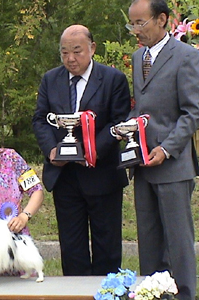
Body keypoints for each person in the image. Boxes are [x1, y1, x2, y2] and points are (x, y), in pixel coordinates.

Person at [32, 25, 131, 276]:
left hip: (102, 174)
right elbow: (40, 119)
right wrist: (52, 151)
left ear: (92, 48)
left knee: (107, 246)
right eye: (64, 53)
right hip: (64, 176)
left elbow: (118, 122)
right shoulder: (50, 79)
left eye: (77, 51)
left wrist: (89, 151)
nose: (70, 59)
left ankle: (107, 292)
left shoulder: (113, 79)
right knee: (71, 246)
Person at [125, 0, 199, 299]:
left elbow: (192, 113)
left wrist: (166, 149)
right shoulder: (138, 56)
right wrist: (125, 129)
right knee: (149, 240)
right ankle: (152, 294)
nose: (135, 31)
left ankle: (184, 295)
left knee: (178, 243)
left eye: (141, 23)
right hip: (143, 167)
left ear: (163, 20)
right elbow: (142, 109)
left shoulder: (186, 56)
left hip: (173, 166)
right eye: (132, 24)